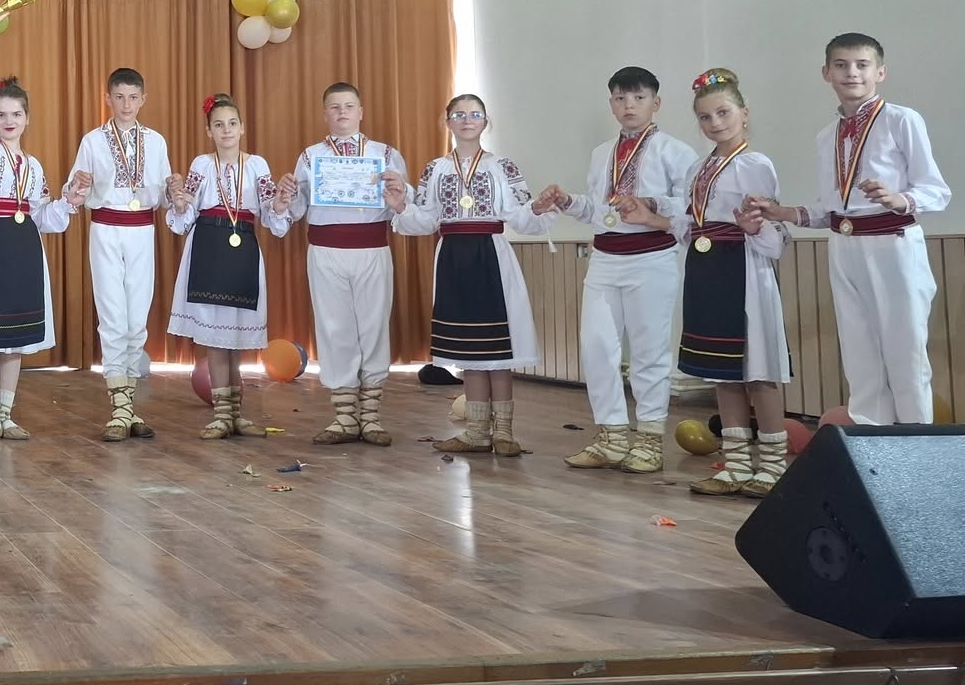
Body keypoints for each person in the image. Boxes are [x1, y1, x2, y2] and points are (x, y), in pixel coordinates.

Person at [748, 35, 950, 425]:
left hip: (893, 244)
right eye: (841, 65)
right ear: (826, 73)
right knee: (859, 356)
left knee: (905, 353)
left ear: (881, 72)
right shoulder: (827, 136)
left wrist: (899, 198)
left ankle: (915, 448)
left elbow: (936, 190)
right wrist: (781, 211)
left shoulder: (901, 120)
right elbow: (829, 208)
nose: (851, 73)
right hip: (843, 245)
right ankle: (871, 444)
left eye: (862, 64)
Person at [535, 66, 698, 473]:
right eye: (621, 98)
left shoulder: (676, 152)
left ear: (656, 103)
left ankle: (649, 440)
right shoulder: (601, 153)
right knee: (596, 346)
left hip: (652, 258)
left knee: (649, 350)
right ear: (611, 104)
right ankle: (611, 436)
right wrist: (567, 202)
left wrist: (650, 203)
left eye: (639, 97)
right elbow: (598, 210)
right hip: (605, 258)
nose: (629, 105)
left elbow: (692, 206)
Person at [641, 69, 792, 495]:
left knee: (757, 369)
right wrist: (650, 218)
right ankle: (737, 465)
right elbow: (692, 225)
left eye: (723, 112)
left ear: (744, 113)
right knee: (723, 371)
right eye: (705, 117)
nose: (715, 123)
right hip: (705, 269)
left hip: (742, 268)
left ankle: (773, 466)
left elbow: (774, 235)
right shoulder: (698, 167)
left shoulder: (755, 164)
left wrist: (754, 228)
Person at [388, 94, 554, 455]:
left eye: (475, 114)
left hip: (491, 255)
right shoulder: (435, 169)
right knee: (468, 350)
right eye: (459, 114)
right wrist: (401, 207)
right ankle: (477, 432)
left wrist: (538, 210)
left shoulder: (502, 167)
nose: (467, 120)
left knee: (498, 347)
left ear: (485, 121)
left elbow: (520, 217)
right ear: (447, 122)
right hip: (452, 257)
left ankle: (504, 433)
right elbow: (426, 220)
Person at [0, 13, 85, 441]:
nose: (9, 120)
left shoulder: (34, 166)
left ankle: (4, 417)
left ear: (27, 118)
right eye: (1, 114)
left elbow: (44, 217)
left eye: (16, 113)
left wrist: (69, 201)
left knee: (16, 338)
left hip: (25, 250)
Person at [280, 83, 408, 447]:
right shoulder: (311, 156)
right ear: (325, 114)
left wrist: (401, 192)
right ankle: (344, 417)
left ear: (361, 112)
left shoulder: (385, 154)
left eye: (349, 106)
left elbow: (403, 205)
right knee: (334, 328)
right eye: (334, 107)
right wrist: (288, 194)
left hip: (372, 249)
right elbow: (297, 209)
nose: (342, 113)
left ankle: (371, 417)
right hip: (325, 250)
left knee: (374, 326)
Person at [166, 93, 290, 440]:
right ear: (209, 131)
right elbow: (186, 212)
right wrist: (180, 202)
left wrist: (280, 204)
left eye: (232, 123)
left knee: (237, 335)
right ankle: (222, 414)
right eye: (218, 125)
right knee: (216, 336)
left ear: (242, 127)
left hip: (243, 249)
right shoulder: (202, 165)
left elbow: (270, 211)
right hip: (208, 248)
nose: (226, 130)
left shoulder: (257, 165)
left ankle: (236, 414)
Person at [69, 67, 172, 442]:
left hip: (142, 230)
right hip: (106, 229)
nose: (126, 104)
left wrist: (175, 192)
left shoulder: (156, 142)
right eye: (119, 97)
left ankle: (128, 407)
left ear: (143, 99)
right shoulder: (93, 141)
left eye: (133, 97)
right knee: (112, 315)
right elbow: (74, 189)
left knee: (136, 319)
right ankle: (120, 409)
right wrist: (78, 186)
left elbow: (164, 195)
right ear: (107, 99)